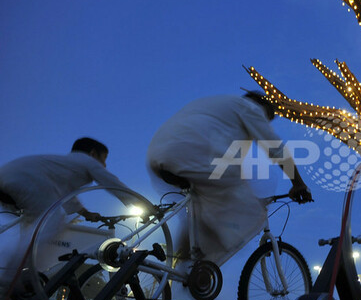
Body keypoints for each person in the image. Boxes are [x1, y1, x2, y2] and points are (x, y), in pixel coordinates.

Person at [147, 92, 312, 270]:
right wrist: (298, 183)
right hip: (194, 155)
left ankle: (181, 266)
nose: (266, 123)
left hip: (158, 153)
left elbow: (228, 162)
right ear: (263, 108)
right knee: (252, 214)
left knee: (199, 212)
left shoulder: (216, 103)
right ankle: (200, 269)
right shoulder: (251, 108)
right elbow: (275, 148)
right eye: (268, 119)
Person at [0, 138, 142, 285]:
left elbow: (66, 195)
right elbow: (110, 181)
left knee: (33, 232)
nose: (105, 165)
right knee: (52, 221)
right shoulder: (86, 160)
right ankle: (10, 281)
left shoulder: (65, 165)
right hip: (25, 181)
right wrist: (139, 201)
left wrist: (85, 213)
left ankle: (24, 278)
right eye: (104, 158)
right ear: (93, 154)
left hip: (10, 178)